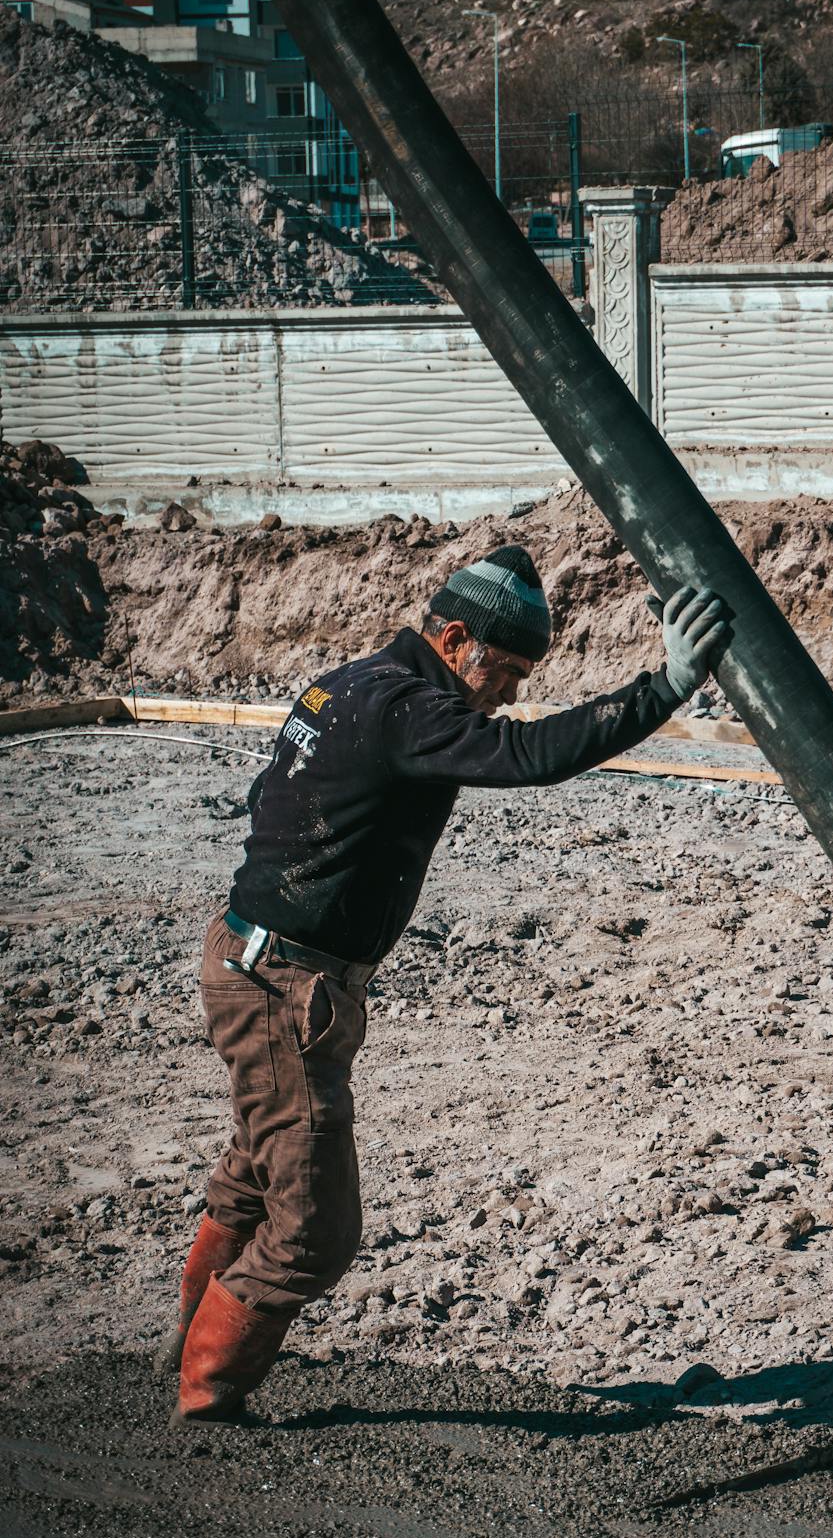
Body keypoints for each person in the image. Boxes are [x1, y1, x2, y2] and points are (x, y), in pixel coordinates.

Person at [160, 545, 728, 1423]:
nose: (503, 691)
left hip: (262, 966)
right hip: (284, 983)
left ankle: (191, 1353)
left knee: (255, 1179)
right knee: (313, 1230)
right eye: (500, 669)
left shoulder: (347, 684)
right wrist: (663, 688)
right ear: (453, 635)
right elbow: (527, 755)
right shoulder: (405, 707)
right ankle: (206, 1401)